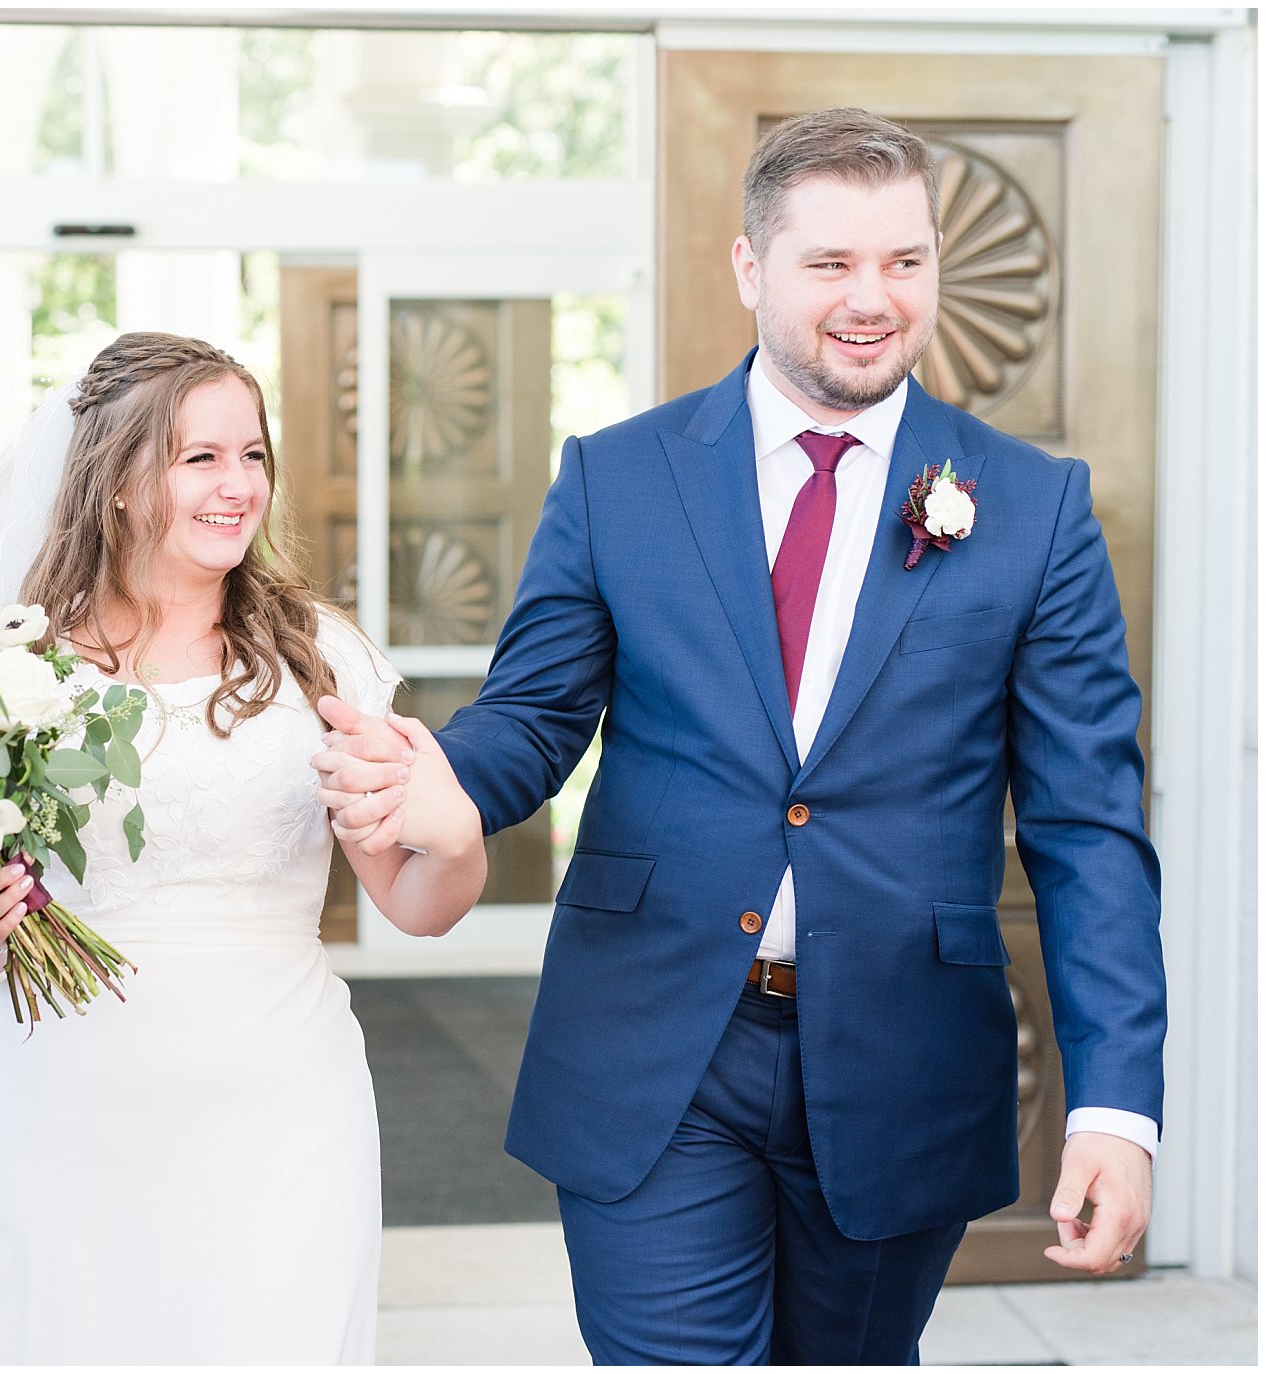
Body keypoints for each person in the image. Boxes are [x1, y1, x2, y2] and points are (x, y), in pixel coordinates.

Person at [312, 107, 1163, 1365]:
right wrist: (438, 774)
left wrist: (1112, 1106)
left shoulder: (1032, 510)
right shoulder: (616, 476)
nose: (871, 298)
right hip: (656, 1051)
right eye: (830, 264)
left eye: (904, 262)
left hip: (898, 1063)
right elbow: (535, 716)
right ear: (749, 268)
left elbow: (1085, 824)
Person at [0, 332, 484, 1363]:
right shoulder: (4, 667)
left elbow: (419, 905)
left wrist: (452, 833)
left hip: (285, 1110)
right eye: (199, 458)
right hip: (64, 1114)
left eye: (251, 455)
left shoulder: (316, 656)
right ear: (114, 480)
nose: (237, 485)